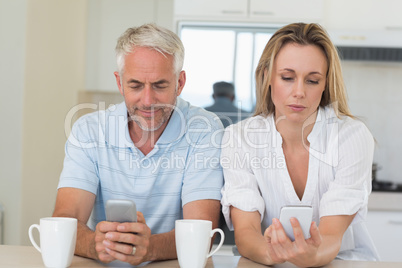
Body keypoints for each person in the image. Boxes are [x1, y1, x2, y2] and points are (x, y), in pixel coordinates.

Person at [52, 24, 223, 266]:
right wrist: (95, 244)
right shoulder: (89, 130)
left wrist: (149, 248)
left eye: (160, 85)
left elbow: (201, 233)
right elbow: (64, 221)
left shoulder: (204, 129)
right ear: (119, 83)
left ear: (180, 82)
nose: (147, 100)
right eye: (135, 85)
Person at [220, 22, 380, 267]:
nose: (299, 92)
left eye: (312, 81)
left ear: (325, 83)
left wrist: (311, 256)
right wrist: (271, 254)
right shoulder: (239, 138)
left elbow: (330, 237)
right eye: (287, 77)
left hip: (341, 262)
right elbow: (246, 232)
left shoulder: (351, 136)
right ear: (267, 76)